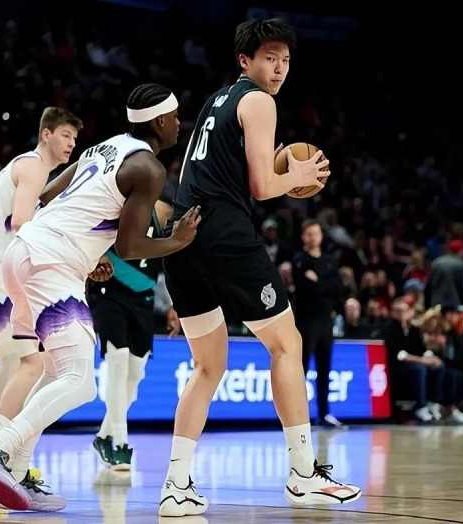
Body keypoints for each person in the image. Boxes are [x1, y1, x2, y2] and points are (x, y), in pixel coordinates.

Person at [0, 83, 200, 512]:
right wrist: (177, 240)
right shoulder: (148, 168)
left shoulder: (105, 147)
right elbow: (130, 247)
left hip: (21, 255)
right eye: (175, 116)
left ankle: (13, 470)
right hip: (51, 265)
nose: (179, 124)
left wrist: (88, 250)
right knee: (80, 381)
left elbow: (48, 195)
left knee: (49, 370)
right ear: (159, 120)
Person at [159, 18, 361, 517]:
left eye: (286, 60)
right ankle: (303, 474)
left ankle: (175, 485)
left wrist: (275, 165)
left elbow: (220, 170)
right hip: (224, 235)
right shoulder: (259, 101)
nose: (279, 68)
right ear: (245, 60)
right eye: (270, 58)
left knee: (209, 366)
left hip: (182, 238)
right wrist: (299, 173)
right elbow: (262, 187)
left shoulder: (216, 102)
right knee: (287, 343)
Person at [0, 106, 82, 510]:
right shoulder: (34, 166)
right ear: (45, 134)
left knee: (12, 363)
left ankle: (0, 465)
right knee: (35, 363)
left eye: (75, 138)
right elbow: (22, 222)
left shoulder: (30, 170)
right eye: (65, 135)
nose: (71, 143)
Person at [88, 190, 179, 470]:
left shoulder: (168, 223)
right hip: (109, 290)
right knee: (117, 361)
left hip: (143, 299)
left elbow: (168, 270)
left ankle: (103, 436)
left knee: (135, 374)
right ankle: (120, 443)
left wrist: (172, 306)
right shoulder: (124, 207)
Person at [291, 219, 344, 428]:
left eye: (316, 233)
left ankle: (324, 413)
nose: (313, 237)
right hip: (306, 322)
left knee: (325, 369)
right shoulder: (300, 260)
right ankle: (297, 414)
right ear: (303, 237)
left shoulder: (329, 261)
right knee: (301, 369)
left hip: (325, 322)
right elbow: (303, 286)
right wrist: (325, 285)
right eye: (309, 234)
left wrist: (318, 282)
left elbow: (338, 289)